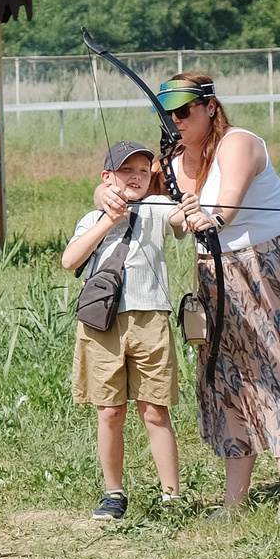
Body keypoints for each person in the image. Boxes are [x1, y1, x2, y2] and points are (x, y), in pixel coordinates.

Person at [158, 73, 280, 520]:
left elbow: (227, 206)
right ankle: (235, 502)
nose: (176, 120)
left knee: (277, 372)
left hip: (270, 268)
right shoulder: (172, 161)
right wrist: (173, 217)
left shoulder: (237, 143)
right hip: (217, 277)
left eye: (185, 110)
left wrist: (209, 218)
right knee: (228, 381)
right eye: (168, 113)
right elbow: (129, 192)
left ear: (210, 107)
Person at [59, 139, 183, 521]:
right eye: (126, 171)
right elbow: (70, 260)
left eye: (143, 172)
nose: (135, 178)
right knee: (110, 411)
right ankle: (113, 493)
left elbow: (179, 221)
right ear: (107, 177)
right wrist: (108, 219)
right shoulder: (93, 216)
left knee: (154, 409)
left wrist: (188, 209)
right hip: (103, 323)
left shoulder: (158, 206)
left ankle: (171, 496)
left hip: (151, 319)